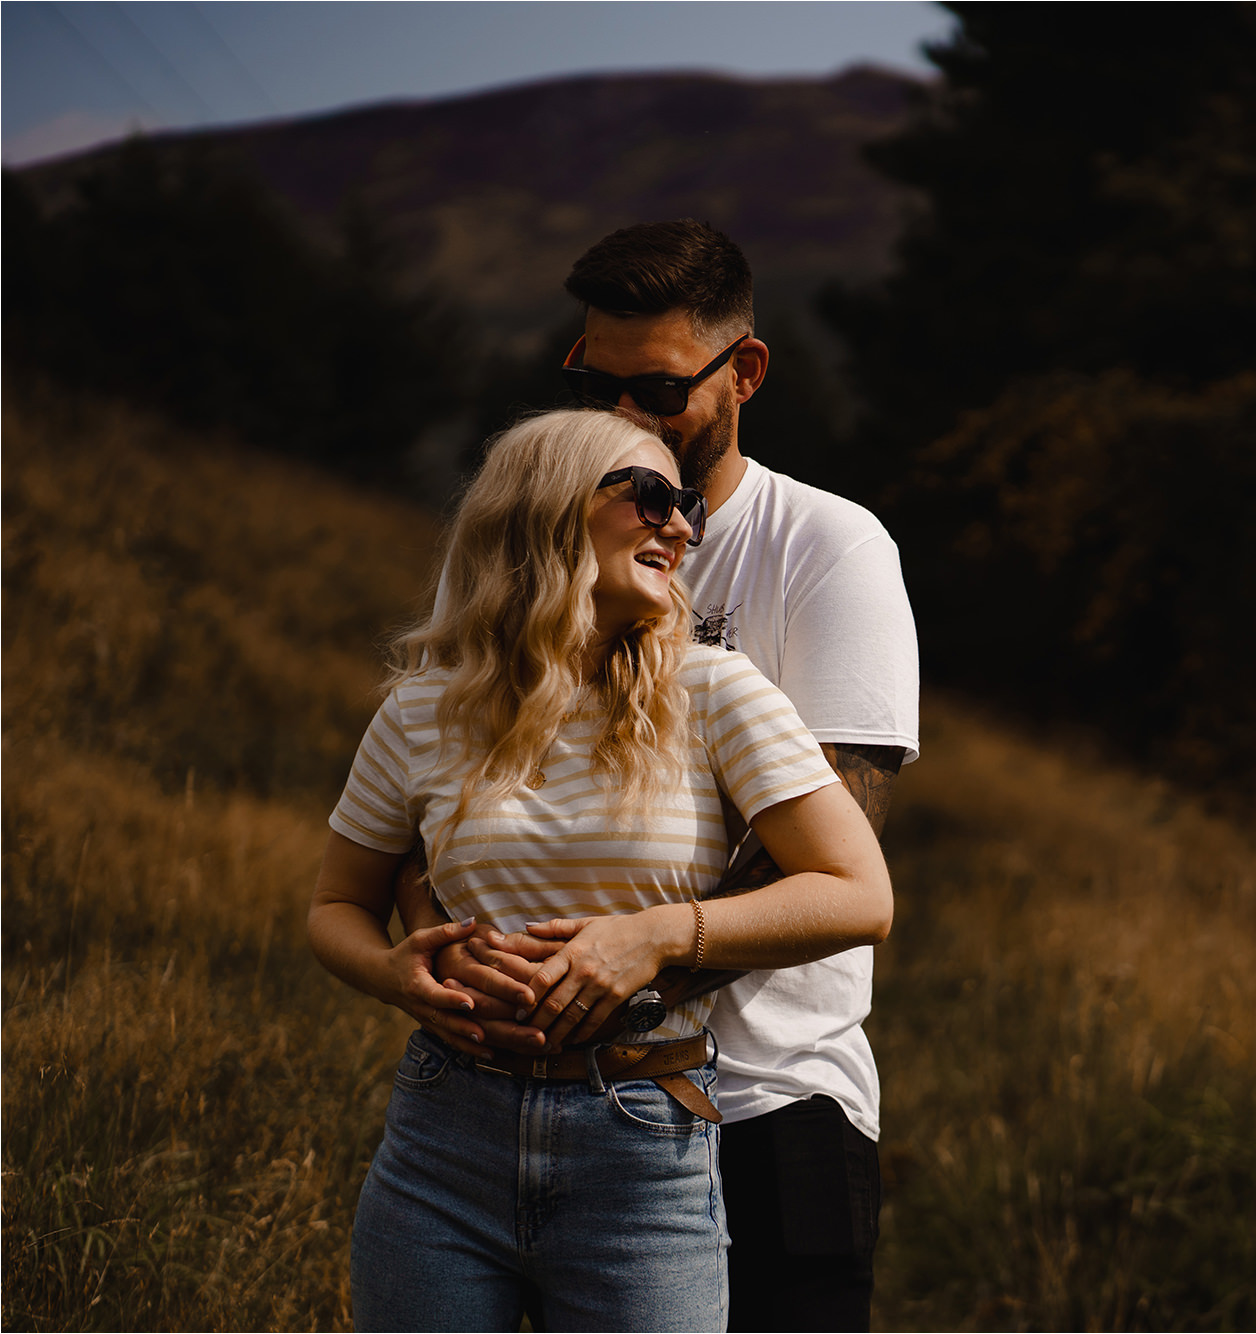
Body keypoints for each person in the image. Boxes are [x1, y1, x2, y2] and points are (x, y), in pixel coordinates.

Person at [396, 220, 921, 1331]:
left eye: (660, 390)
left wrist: (619, 970)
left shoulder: (828, 548)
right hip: (517, 1102)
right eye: (598, 385)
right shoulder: (524, 544)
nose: (626, 415)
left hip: (771, 1099)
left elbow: (835, 841)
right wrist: (450, 951)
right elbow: (432, 798)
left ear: (745, 372)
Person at [308, 408, 893, 1331]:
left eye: (690, 507)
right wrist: (392, 974)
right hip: (441, 1142)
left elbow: (859, 895)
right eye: (653, 496)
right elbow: (337, 903)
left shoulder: (715, 691)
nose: (682, 526)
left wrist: (656, 937)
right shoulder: (423, 709)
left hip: (641, 1150)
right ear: (546, 506)